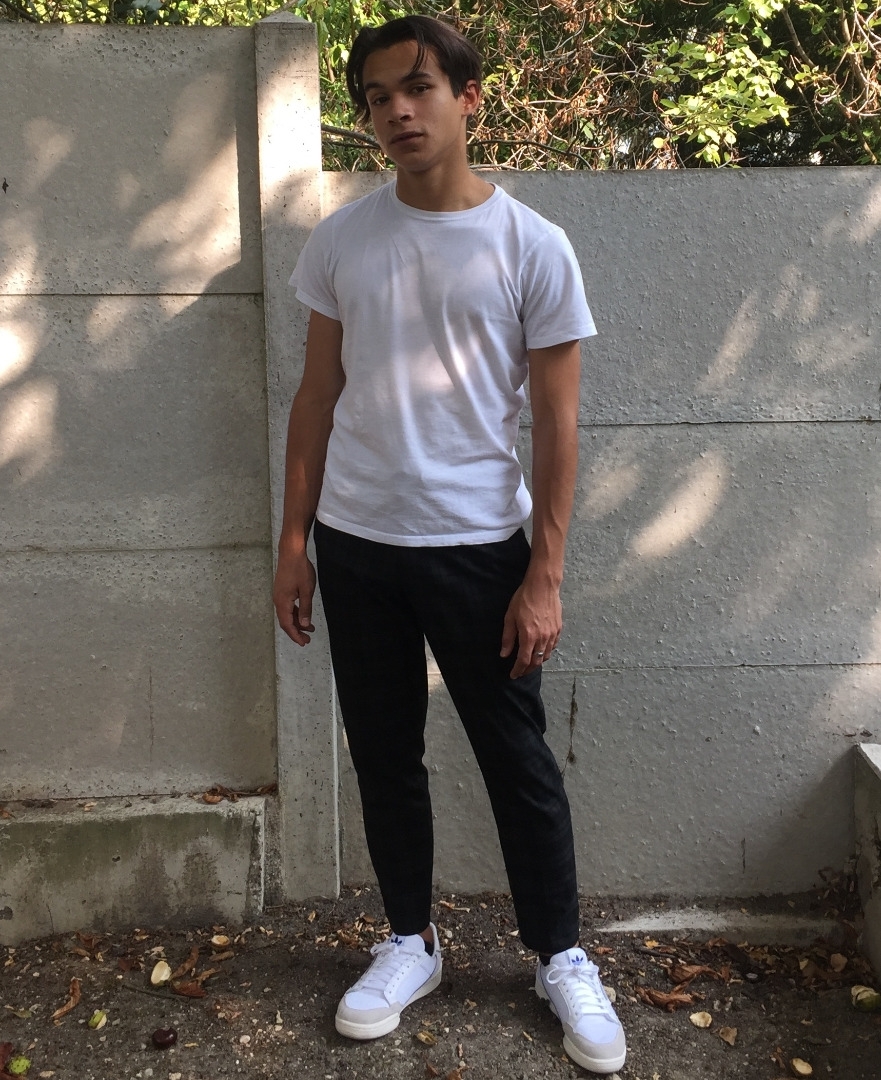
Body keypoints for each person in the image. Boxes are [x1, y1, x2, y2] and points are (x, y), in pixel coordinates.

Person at [272, 14, 626, 1075]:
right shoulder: (340, 240)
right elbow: (315, 399)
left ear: (467, 97)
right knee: (383, 753)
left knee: (517, 760)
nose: (397, 111)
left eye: (417, 87)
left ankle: (559, 955)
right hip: (356, 543)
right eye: (377, 96)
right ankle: (408, 941)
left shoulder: (531, 246)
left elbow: (557, 424)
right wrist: (292, 541)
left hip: (479, 548)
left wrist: (544, 573)